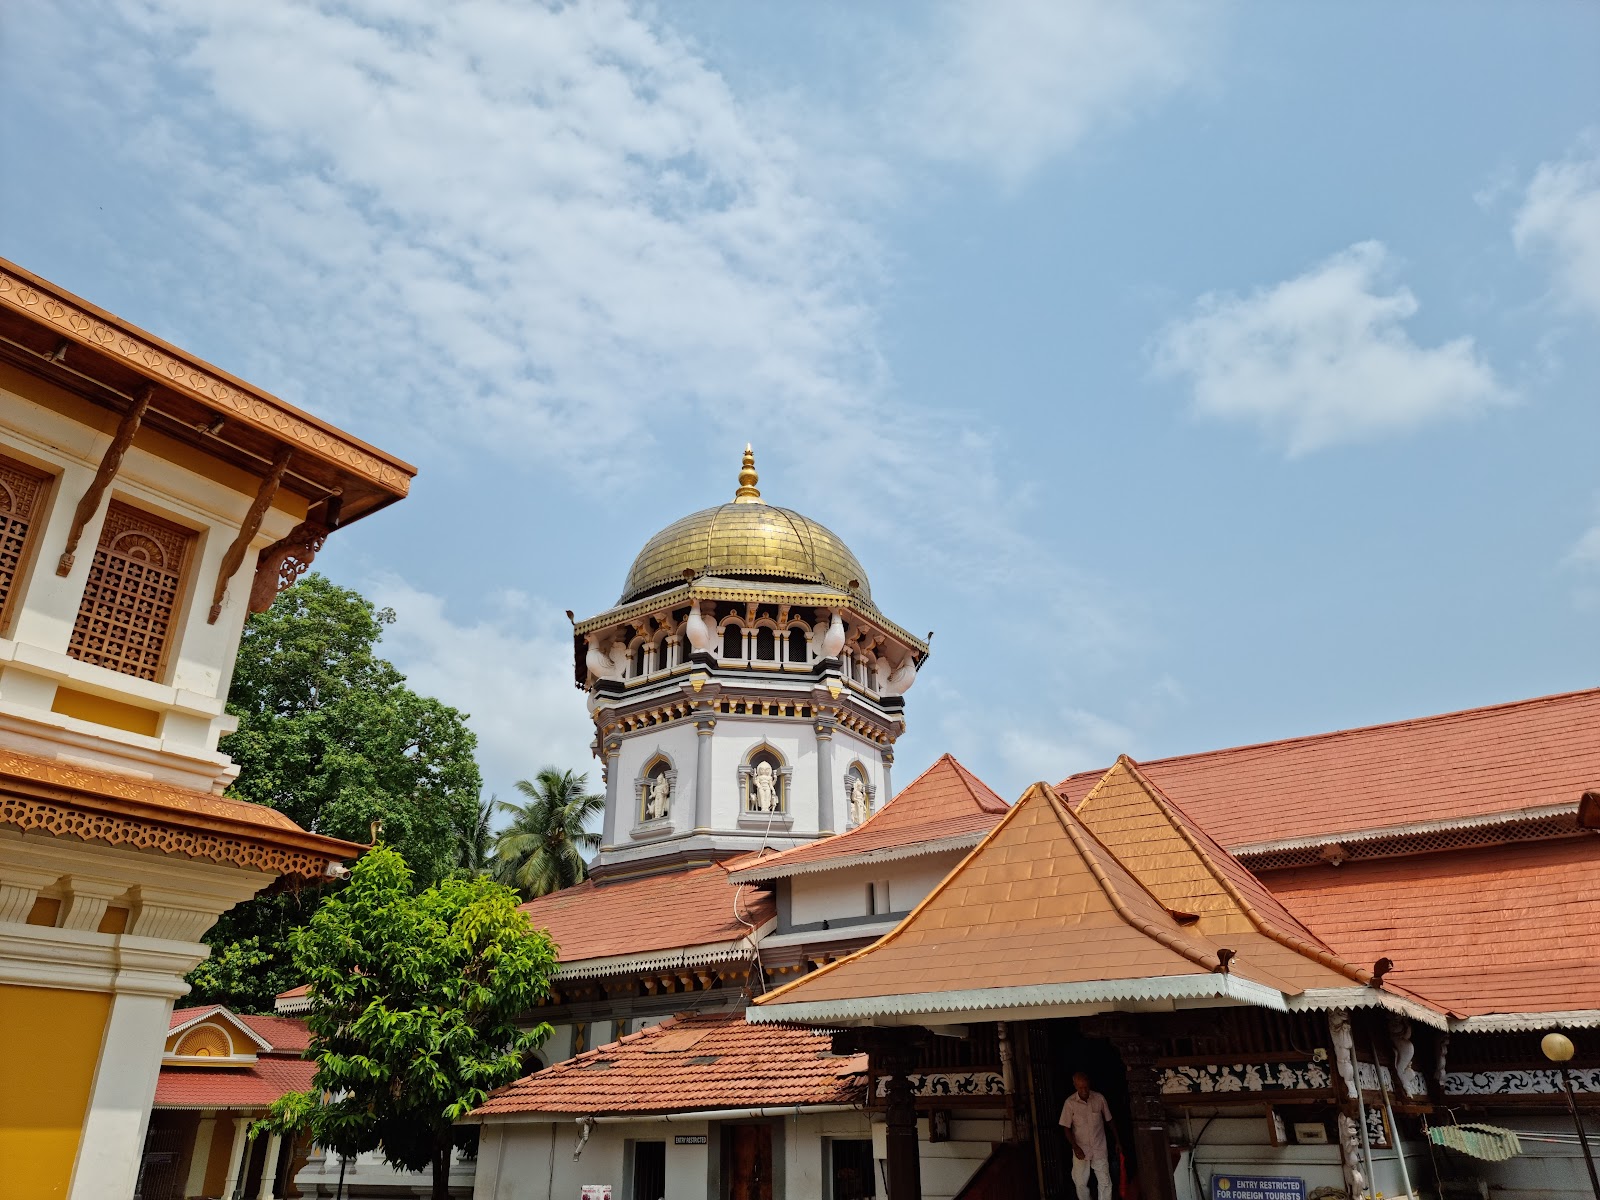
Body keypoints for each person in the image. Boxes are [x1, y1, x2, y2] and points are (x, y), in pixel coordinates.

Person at [1059, 1071, 1119, 1198]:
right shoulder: (1070, 1103)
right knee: (1080, 1182)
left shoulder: (1099, 1098)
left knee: (1105, 1182)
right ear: (1075, 1086)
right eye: (1081, 1087)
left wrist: (1117, 1141)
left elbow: (1109, 1120)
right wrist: (1075, 1147)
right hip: (1081, 1148)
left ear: (1089, 1084)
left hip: (1099, 1147)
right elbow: (1066, 1128)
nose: (1084, 1090)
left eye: (1086, 1086)